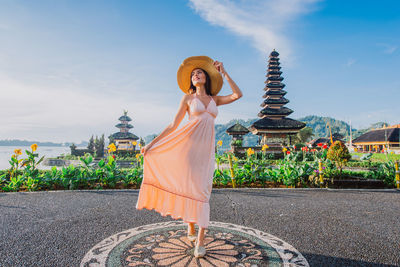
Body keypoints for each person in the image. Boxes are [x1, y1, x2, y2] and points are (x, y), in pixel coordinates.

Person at [135, 55, 243, 258]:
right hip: (188, 149)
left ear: (207, 77)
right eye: (193, 74)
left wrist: (225, 73)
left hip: (206, 153)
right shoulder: (187, 98)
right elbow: (173, 125)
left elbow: (238, 94)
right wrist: (151, 144)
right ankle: (192, 226)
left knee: (203, 192)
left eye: (200, 72)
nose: (196, 75)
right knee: (189, 187)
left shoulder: (214, 100)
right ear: (191, 80)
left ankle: (199, 238)